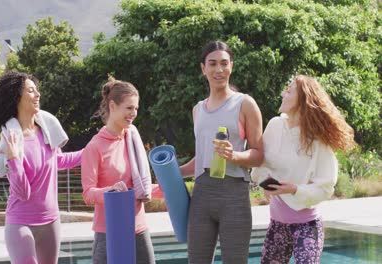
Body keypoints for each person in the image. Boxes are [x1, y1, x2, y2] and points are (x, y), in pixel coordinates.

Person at [251, 75, 355, 263]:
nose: (283, 93)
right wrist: (265, 183)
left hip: (307, 226)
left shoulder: (318, 140)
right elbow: (261, 165)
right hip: (277, 224)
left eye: (289, 91)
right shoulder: (274, 125)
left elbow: (325, 187)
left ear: (303, 100)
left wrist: (295, 189)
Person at [179, 40, 264, 263]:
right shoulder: (198, 109)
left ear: (231, 66)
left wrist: (233, 156)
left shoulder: (245, 104)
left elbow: (259, 155)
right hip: (202, 195)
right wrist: (173, 173)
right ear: (203, 68)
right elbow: (203, 156)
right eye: (213, 63)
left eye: (224, 63)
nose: (219, 70)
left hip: (234, 195)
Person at [0, 71, 83, 264]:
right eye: (31, 91)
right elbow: (23, 192)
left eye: (36, 90)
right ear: (17, 98)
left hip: (51, 221)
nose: (37, 94)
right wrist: (14, 159)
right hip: (21, 223)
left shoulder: (45, 132)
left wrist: (93, 149)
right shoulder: (12, 139)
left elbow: (59, 161)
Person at [81, 77, 162, 264]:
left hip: (138, 229)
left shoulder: (132, 139)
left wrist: (170, 189)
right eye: (129, 108)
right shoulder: (94, 147)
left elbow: (140, 187)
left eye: (136, 108)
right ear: (112, 106)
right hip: (109, 232)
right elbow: (88, 194)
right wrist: (110, 192)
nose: (133, 113)